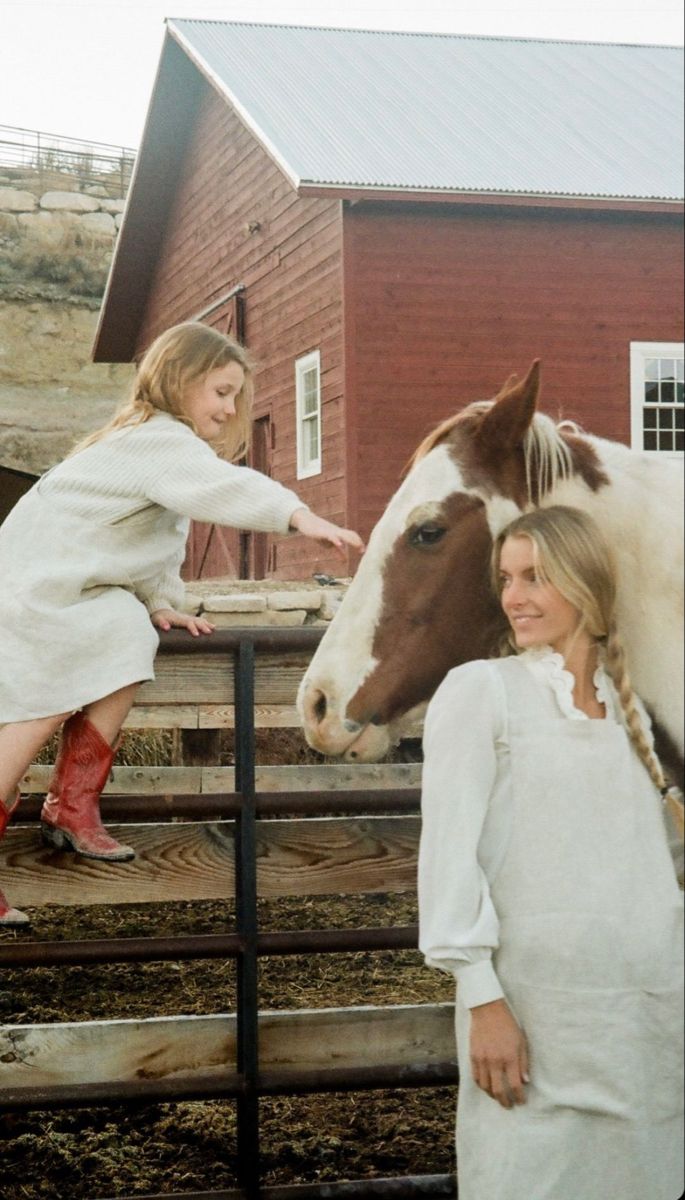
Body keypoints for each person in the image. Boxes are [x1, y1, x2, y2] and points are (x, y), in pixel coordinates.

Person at [0, 321, 364, 927]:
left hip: (56, 588)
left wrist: (158, 600)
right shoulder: (160, 441)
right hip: (34, 598)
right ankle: (64, 804)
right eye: (220, 391)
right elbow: (221, 488)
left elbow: (145, 538)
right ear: (178, 379)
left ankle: (74, 801)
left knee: (130, 630)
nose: (229, 407)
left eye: (234, 396)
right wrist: (297, 516)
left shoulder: (148, 446)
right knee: (20, 734)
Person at [418, 504, 683, 1200]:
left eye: (535, 576)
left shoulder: (628, 711)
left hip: (640, 1017)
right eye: (506, 578)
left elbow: (648, 865)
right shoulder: (484, 692)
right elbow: (449, 857)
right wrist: (483, 1000)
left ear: (585, 583)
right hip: (533, 1016)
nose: (513, 597)